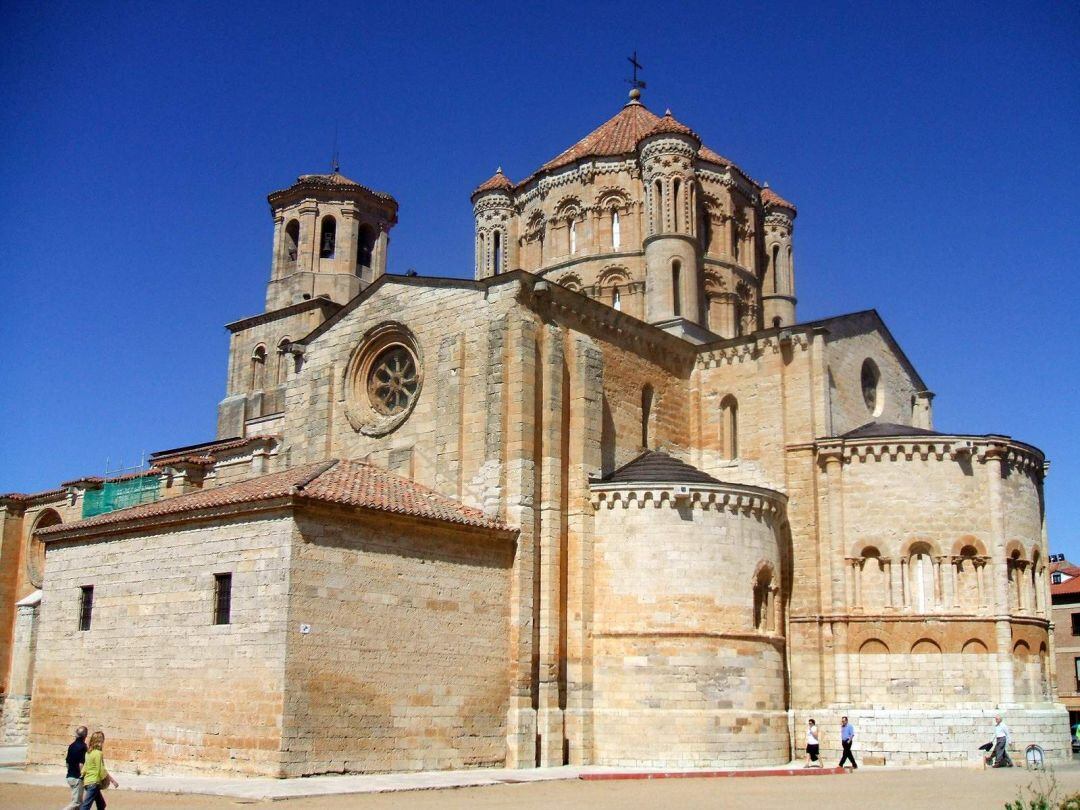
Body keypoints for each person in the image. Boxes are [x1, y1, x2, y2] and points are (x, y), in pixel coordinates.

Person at [79, 731, 118, 810]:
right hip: (93, 783)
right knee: (85, 807)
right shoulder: (98, 753)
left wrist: (82, 775)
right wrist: (112, 781)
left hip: (88, 782)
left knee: (101, 805)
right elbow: (101, 769)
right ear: (100, 741)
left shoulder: (88, 753)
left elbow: (85, 767)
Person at [64, 726, 88, 810]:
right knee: (76, 803)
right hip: (77, 778)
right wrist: (83, 776)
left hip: (70, 776)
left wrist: (70, 771)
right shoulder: (83, 747)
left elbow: (67, 762)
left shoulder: (71, 746)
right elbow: (81, 764)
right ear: (85, 736)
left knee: (79, 803)